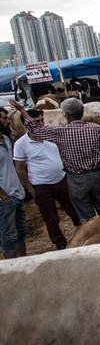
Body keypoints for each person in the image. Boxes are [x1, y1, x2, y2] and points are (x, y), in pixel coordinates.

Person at [9, 97, 100, 224]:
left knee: (87, 217)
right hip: (96, 175)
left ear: (65, 115)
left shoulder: (61, 132)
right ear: (82, 112)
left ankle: (96, 239)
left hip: (75, 179)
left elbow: (36, 129)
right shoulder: (96, 128)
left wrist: (22, 109)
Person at [13, 108, 81, 250]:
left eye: (41, 119)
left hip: (62, 180)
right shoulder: (21, 144)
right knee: (51, 218)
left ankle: (83, 235)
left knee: (75, 210)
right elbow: (19, 169)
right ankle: (60, 245)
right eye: (36, 121)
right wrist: (30, 189)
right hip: (41, 186)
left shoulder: (52, 135)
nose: (40, 123)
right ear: (27, 124)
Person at [0, 107, 27, 259]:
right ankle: (11, 269)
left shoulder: (6, 140)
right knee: (8, 236)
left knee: (21, 232)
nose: (8, 120)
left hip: (16, 193)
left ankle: (23, 263)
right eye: (3, 118)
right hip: (5, 198)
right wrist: (4, 196)